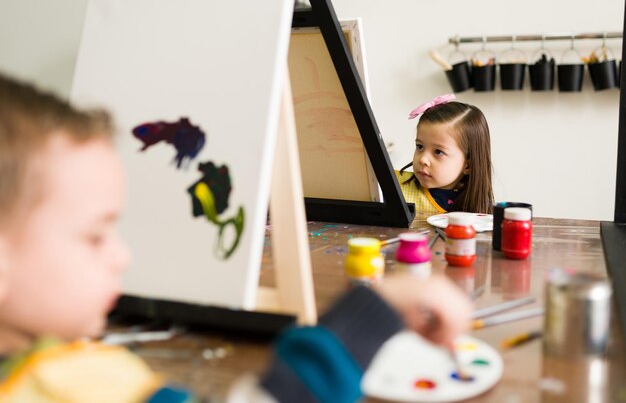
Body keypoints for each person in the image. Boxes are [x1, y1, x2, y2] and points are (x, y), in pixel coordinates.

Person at [0, 73, 472, 402]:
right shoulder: (55, 386)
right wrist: (378, 306)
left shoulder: (52, 359)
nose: (122, 254)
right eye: (94, 235)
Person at [397, 94, 494, 215]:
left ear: (467, 166)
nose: (423, 159)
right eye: (420, 146)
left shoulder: (480, 208)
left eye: (438, 152)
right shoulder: (393, 186)